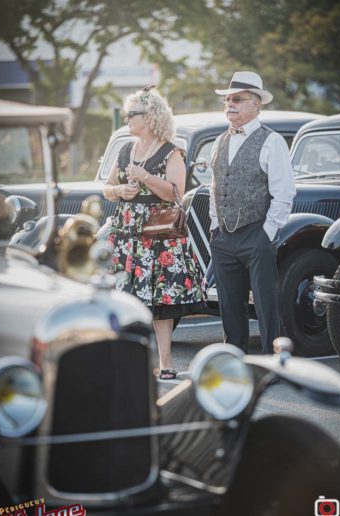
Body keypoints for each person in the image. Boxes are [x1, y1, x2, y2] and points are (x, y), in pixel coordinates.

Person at [103, 86, 206, 379]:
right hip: (127, 232)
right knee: (124, 296)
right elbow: (107, 189)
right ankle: (123, 362)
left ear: (150, 117)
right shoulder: (125, 149)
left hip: (157, 230)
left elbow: (177, 193)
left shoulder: (170, 151)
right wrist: (121, 189)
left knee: (160, 301)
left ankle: (166, 364)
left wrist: (145, 177)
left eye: (131, 114)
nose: (127, 118)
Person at [209, 71, 296, 354]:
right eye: (227, 99)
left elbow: (284, 194)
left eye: (237, 99)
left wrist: (266, 234)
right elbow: (215, 187)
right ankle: (234, 359)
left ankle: (273, 362)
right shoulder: (220, 140)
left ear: (256, 104)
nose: (230, 104)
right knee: (230, 307)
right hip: (224, 238)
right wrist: (215, 228)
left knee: (265, 304)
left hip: (256, 234)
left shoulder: (272, 141)